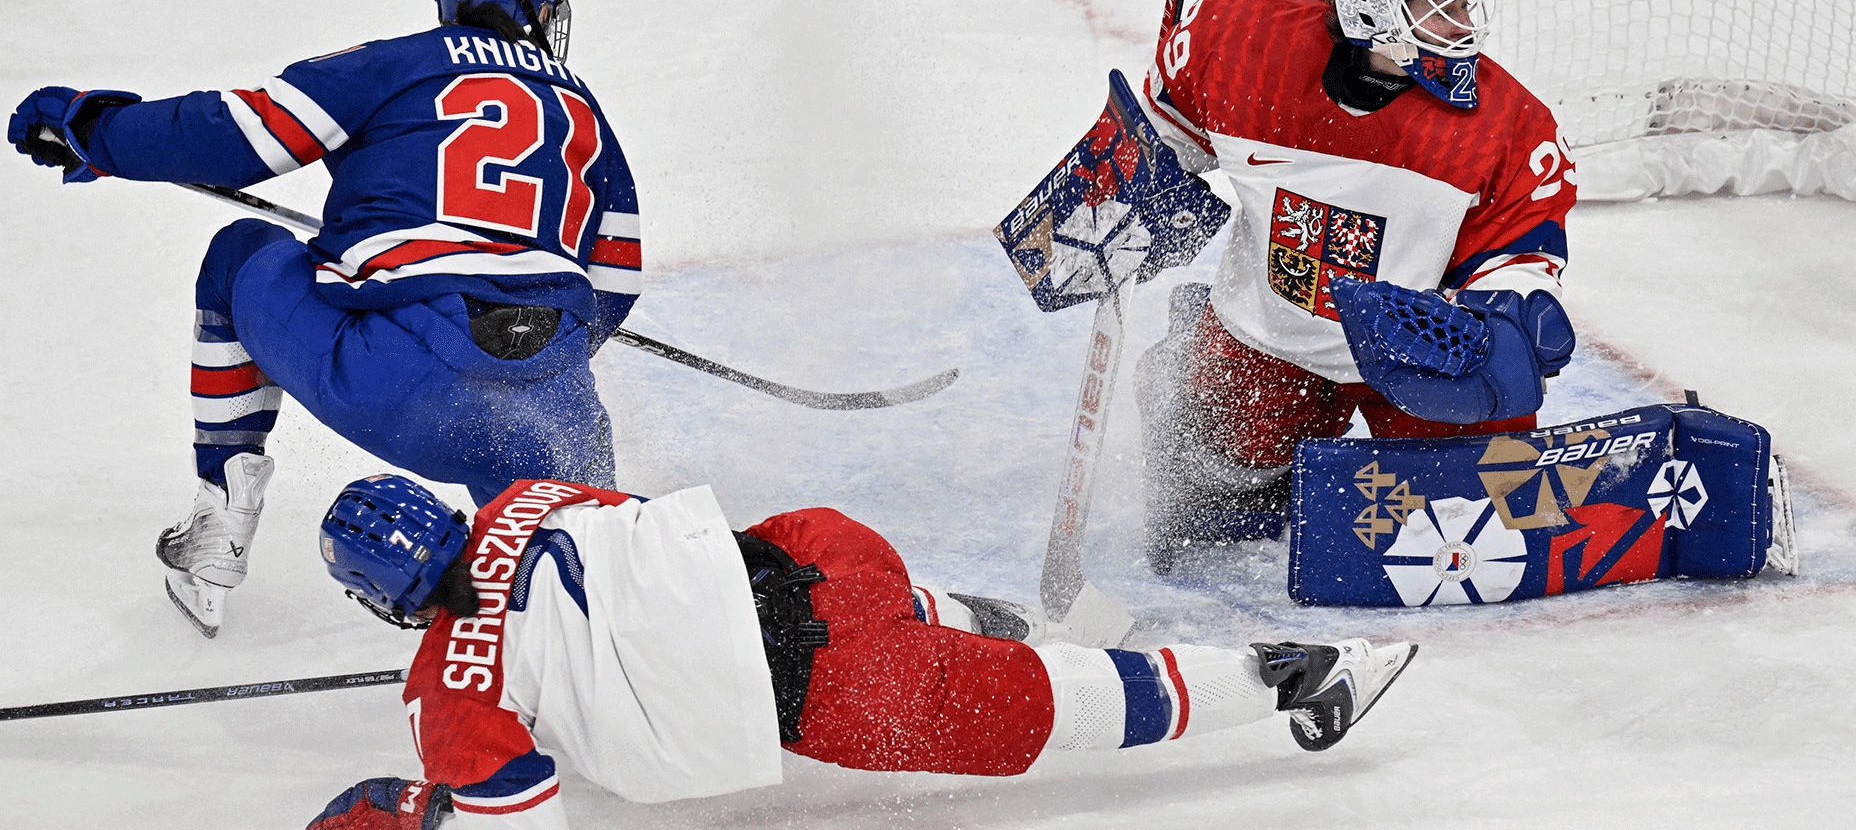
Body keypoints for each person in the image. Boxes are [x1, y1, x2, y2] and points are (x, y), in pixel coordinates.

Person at [5, 0, 645, 637]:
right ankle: (542, 594)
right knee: (586, 587)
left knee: (239, 253)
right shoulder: (584, 108)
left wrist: (95, 130)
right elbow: (615, 281)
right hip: (555, 415)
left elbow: (238, 136)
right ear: (540, 5)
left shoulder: (400, 63)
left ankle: (220, 525)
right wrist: (519, 344)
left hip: (403, 385)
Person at [305, 473, 1417, 830]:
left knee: (1057, 708)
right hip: (821, 547)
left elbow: (519, 815)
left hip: (840, 685)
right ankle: (954, 612)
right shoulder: (523, 497)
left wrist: (421, 809)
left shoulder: (445, 692)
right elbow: (647, 542)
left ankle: (1290, 675)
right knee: (850, 597)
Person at [1133, 0, 1577, 572]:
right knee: (1217, 496)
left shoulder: (1511, 124)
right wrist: (1131, 177)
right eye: (1440, 8)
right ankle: (1192, 355)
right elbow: (1167, 127)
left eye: (1464, 3)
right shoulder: (1243, 46)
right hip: (1270, 335)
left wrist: (1511, 312)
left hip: (1417, 349)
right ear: (1376, 13)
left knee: (1467, 519)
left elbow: (1518, 250)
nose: (1464, 24)